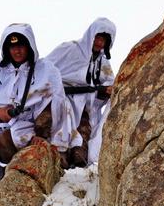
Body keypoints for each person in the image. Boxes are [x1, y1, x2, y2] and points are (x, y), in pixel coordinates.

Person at [0, 23, 71, 206]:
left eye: (21, 45)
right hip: (5, 124)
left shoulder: (47, 70)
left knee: (6, 141)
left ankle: (5, 194)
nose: (17, 50)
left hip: (35, 127)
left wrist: (44, 135)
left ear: (30, 46)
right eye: (12, 46)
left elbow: (56, 104)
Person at [45, 18, 117, 167]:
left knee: (81, 150)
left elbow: (110, 82)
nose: (99, 43)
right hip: (62, 103)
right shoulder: (69, 49)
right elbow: (44, 70)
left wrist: (105, 90)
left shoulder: (102, 63)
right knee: (60, 139)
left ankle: (77, 175)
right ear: (91, 35)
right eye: (97, 37)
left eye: (103, 40)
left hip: (85, 110)